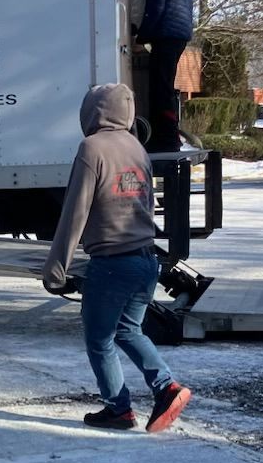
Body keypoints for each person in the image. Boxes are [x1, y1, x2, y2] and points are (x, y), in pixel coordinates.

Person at [42, 83, 192, 433]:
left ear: (92, 111)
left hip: (112, 262)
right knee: (128, 329)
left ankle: (118, 409)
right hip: (145, 260)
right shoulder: (136, 147)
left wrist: (56, 268)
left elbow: (74, 213)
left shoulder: (91, 148)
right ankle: (166, 386)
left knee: (99, 338)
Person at [136, 0, 194, 154]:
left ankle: (166, 138)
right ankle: (169, 135)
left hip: (166, 33)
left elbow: (155, 8)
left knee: (160, 87)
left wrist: (141, 38)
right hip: (179, 33)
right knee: (166, 84)